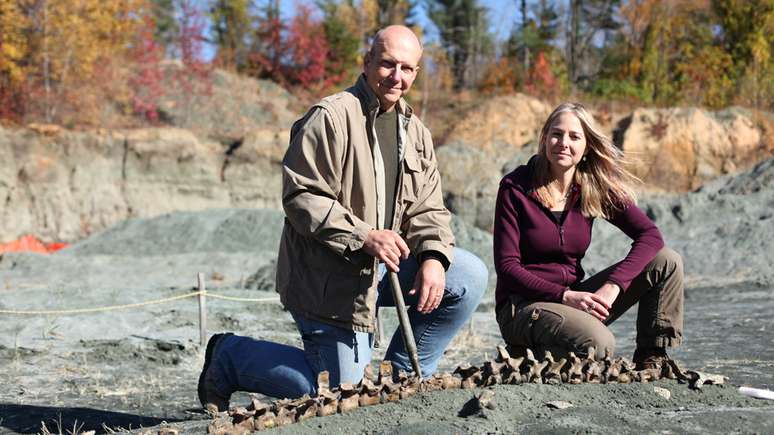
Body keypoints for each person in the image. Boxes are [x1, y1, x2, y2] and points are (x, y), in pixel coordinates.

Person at [197, 25, 487, 411]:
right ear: (367, 62)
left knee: (467, 274)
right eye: (387, 64)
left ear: (417, 73)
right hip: (330, 282)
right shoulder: (330, 117)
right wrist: (365, 236)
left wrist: (433, 258)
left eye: (407, 68)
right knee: (338, 396)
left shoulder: (415, 132)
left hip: (382, 270)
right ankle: (230, 356)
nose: (396, 77)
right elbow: (301, 196)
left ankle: (400, 375)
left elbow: (428, 208)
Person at [493, 102, 684, 368]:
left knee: (667, 260)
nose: (563, 143)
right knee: (599, 344)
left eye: (574, 137)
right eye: (556, 134)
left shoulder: (591, 186)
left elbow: (650, 235)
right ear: (544, 138)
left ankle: (652, 356)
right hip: (523, 307)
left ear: (586, 147)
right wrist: (564, 296)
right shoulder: (515, 187)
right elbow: (507, 267)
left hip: (574, 299)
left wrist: (613, 285)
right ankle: (526, 354)